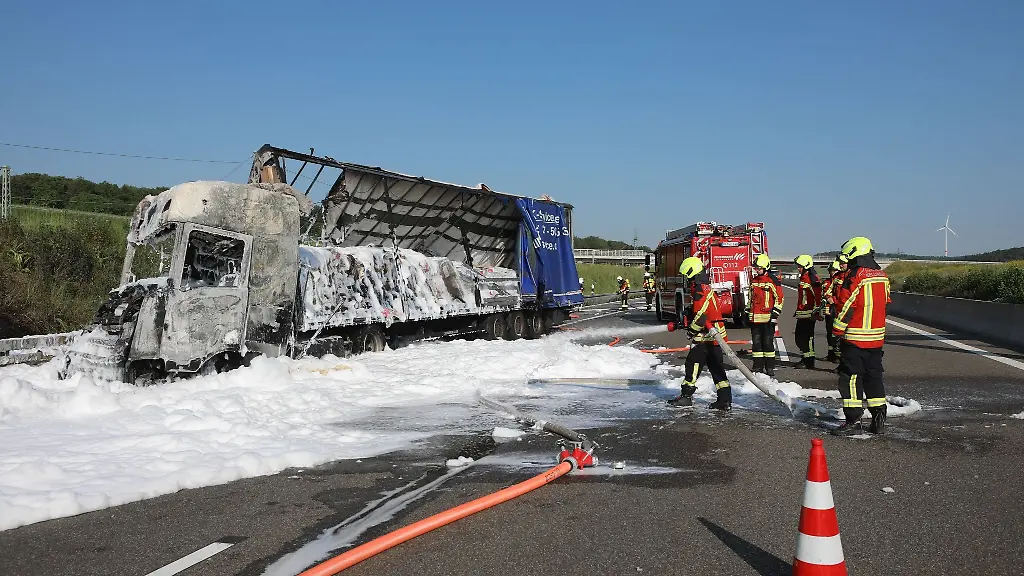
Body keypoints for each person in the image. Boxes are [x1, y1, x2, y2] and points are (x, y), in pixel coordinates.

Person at [830, 237, 892, 435]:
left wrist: (837, 331)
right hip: (876, 339)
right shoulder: (882, 275)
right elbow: (886, 303)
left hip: (855, 338)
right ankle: (879, 417)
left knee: (850, 379)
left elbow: (847, 305)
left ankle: (853, 421)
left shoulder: (855, 275)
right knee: (873, 377)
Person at [669, 257, 731, 410]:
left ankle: (686, 397)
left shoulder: (699, 289)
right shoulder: (705, 287)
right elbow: (702, 311)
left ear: (692, 273)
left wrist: (691, 330)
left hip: (705, 336)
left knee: (693, 364)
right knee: (717, 368)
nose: (686, 279)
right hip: (714, 335)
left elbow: (701, 316)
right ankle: (724, 400)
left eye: (687, 275)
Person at [746, 253, 783, 377]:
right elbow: (751, 298)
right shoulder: (754, 281)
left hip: (767, 317)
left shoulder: (773, 281)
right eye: (756, 268)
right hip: (755, 318)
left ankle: (770, 367)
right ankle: (757, 366)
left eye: (759, 268)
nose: (757, 270)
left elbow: (779, 298)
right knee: (756, 343)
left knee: (767, 343)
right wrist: (747, 312)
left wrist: (775, 314)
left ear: (766, 267)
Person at [792, 254, 822, 369]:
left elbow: (817, 297)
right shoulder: (804, 278)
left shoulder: (812, 279)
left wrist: (816, 312)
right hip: (802, 313)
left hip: (809, 314)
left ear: (806, 266)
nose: (798, 268)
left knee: (807, 338)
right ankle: (805, 358)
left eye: (800, 266)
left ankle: (809, 361)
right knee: (800, 338)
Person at [819, 255, 849, 363]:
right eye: (831, 270)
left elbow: (846, 295)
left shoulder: (848, 277)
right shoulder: (832, 280)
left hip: (842, 310)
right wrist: (828, 298)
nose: (832, 272)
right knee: (830, 333)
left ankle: (839, 357)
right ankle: (832, 354)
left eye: (834, 270)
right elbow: (826, 293)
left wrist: (835, 300)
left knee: (840, 335)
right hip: (830, 311)